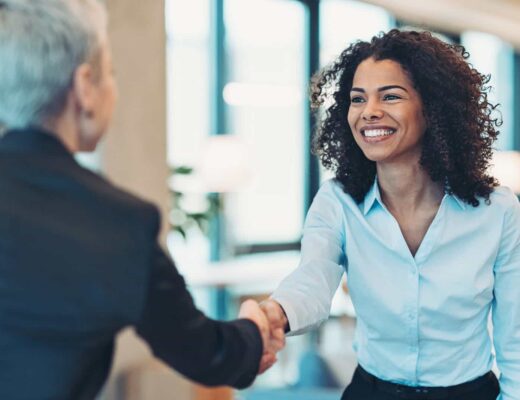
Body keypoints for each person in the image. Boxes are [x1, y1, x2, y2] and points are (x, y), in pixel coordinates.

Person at [0, 1, 284, 399]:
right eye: (111, 73)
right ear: (85, 87)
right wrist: (254, 331)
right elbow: (206, 354)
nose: (112, 86)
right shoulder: (115, 223)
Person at [260, 29, 520, 400]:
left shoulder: (498, 211)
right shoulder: (338, 201)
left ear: (433, 108)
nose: (369, 112)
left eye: (391, 96)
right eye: (357, 99)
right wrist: (276, 313)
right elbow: (313, 280)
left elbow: (516, 337)